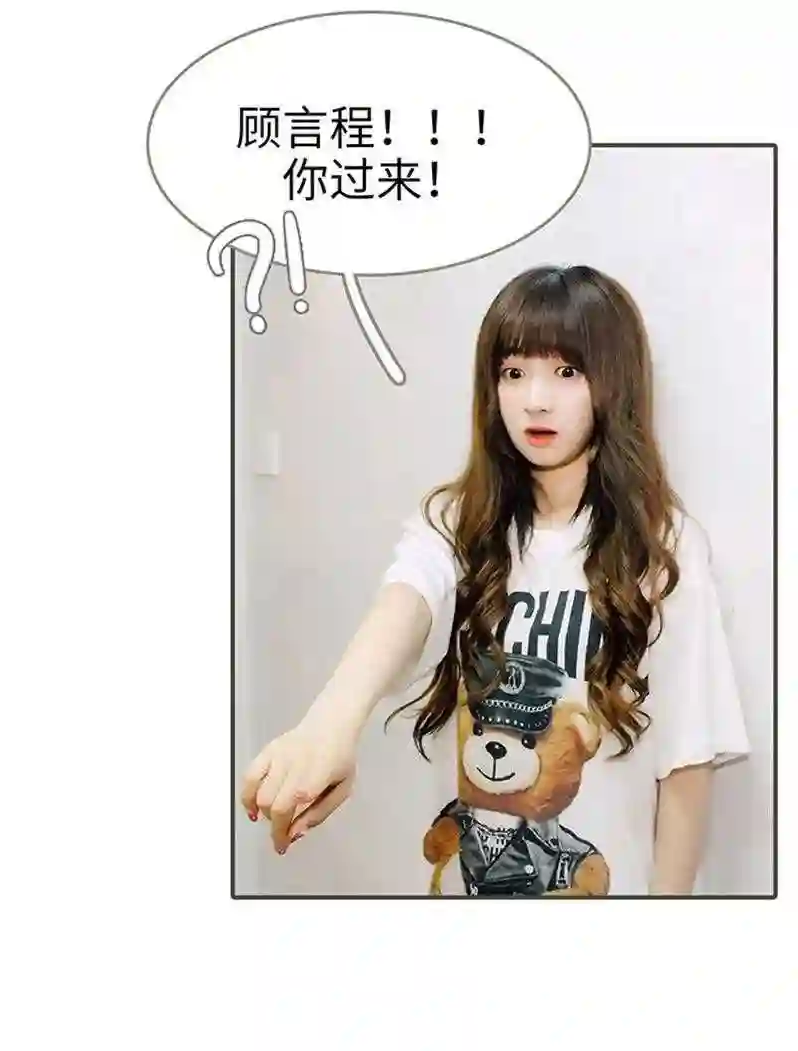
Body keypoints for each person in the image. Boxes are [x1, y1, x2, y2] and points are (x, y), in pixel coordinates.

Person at [241, 264, 749, 899]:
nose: (535, 399)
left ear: (614, 382)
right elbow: (405, 600)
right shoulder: (458, 523)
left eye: (567, 372)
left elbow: (686, 761)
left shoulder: (665, 547)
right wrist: (327, 727)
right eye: (513, 372)